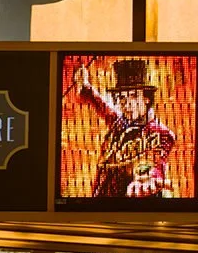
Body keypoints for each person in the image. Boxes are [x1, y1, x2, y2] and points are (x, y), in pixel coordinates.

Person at [72, 57, 177, 197]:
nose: (127, 104)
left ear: (146, 99)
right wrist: (85, 85)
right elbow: (101, 105)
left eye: (134, 96)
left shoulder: (160, 133)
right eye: (122, 97)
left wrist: (148, 179)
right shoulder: (119, 122)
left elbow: (155, 163)